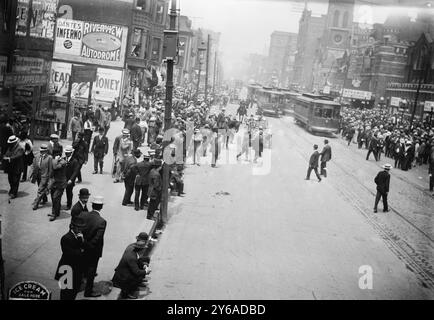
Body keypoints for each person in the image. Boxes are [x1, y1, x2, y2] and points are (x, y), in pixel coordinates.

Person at [79, 196, 107, 298]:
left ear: (92, 205)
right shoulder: (101, 221)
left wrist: (83, 244)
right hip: (93, 251)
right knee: (91, 271)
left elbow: (78, 230)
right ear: (101, 207)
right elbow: (97, 239)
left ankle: (77, 286)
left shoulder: (83, 215)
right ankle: (88, 291)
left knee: (81, 268)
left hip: (82, 248)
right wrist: (89, 246)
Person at [54, 215, 86, 300]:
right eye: (78, 227)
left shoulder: (79, 237)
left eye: (81, 228)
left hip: (75, 270)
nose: (80, 230)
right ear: (72, 226)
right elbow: (71, 255)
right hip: (66, 270)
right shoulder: (66, 238)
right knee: (65, 294)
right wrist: (82, 250)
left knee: (74, 292)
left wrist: (82, 243)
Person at [112, 232, 151, 299]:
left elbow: (138, 260)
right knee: (135, 275)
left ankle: (137, 282)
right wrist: (146, 272)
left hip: (124, 271)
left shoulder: (132, 247)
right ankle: (127, 293)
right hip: (122, 278)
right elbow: (137, 271)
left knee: (144, 261)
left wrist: (143, 265)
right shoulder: (131, 257)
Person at [31, 144, 52, 210]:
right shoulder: (37, 156)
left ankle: (36, 204)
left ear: (46, 151)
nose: (41, 152)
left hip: (45, 176)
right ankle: (44, 199)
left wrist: (49, 179)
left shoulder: (49, 158)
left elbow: (50, 169)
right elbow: (34, 166)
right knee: (42, 188)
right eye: (41, 151)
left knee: (40, 190)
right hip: (37, 175)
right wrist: (31, 175)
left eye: (43, 151)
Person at [49, 151, 68, 221]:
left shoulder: (63, 162)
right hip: (54, 183)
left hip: (61, 184)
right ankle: (56, 212)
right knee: (54, 198)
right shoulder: (54, 161)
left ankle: (54, 214)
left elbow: (55, 167)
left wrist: (56, 160)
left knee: (55, 198)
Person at [64, 145, 81, 210]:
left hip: (69, 179)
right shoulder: (63, 159)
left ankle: (69, 204)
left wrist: (71, 179)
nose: (66, 153)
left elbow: (76, 172)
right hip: (62, 179)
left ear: (71, 153)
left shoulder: (75, 161)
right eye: (66, 152)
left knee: (69, 192)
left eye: (68, 152)